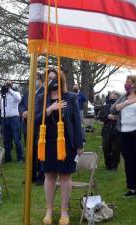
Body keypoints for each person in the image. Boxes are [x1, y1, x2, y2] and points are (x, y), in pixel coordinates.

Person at [35, 69, 84, 225]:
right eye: (49, 78)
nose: (52, 81)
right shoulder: (42, 98)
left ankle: (64, 211)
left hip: (66, 144)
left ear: (61, 80)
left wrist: (79, 144)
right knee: (49, 176)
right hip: (47, 143)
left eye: (55, 78)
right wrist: (50, 109)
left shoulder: (70, 97)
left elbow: (77, 121)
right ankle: (49, 210)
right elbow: (35, 120)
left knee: (65, 176)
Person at [111, 75, 136, 198]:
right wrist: (126, 103)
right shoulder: (123, 97)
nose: (127, 84)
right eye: (126, 82)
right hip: (124, 132)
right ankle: (132, 188)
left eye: (129, 82)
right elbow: (113, 109)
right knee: (128, 161)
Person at [19, 73, 45, 184]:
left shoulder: (44, 92)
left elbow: (43, 108)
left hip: (39, 127)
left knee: (39, 152)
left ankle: (41, 176)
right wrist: (23, 112)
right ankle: (31, 175)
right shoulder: (27, 93)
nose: (33, 82)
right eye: (31, 80)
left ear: (41, 80)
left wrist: (31, 113)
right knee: (30, 152)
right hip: (27, 126)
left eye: (35, 79)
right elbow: (21, 105)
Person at [0, 80, 24, 163]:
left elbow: (19, 99)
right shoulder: (3, 95)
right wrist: (1, 97)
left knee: (16, 139)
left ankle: (20, 158)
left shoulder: (15, 93)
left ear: (11, 85)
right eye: (5, 84)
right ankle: (8, 157)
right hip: (4, 119)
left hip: (14, 119)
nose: (6, 85)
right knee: (6, 140)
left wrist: (10, 90)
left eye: (8, 84)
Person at [97, 91, 121, 170]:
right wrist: (107, 116)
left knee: (115, 149)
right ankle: (108, 165)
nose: (113, 98)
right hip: (106, 130)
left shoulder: (120, 106)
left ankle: (115, 165)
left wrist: (117, 118)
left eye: (114, 97)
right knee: (106, 148)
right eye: (111, 97)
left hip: (116, 130)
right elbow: (100, 116)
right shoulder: (105, 106)